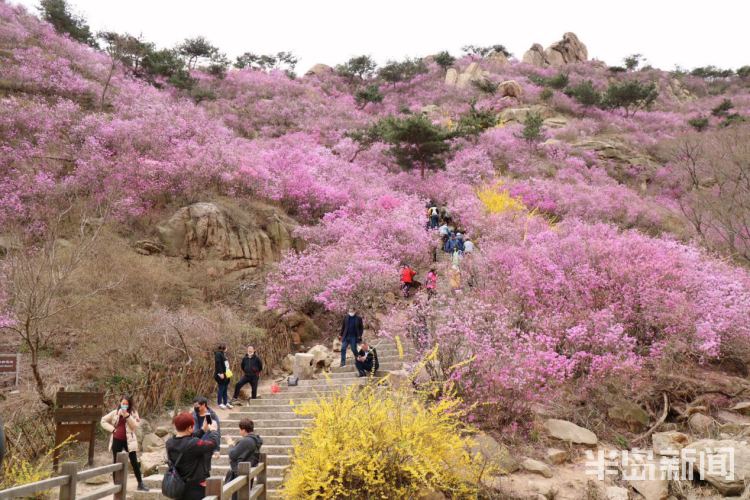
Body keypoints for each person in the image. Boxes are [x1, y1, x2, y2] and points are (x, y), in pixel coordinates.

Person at [166, 412, 220, 500]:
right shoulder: (193, 444)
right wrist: (214, 430)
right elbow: (213, 443)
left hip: (178, 486)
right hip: (195, 488)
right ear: (190, 428)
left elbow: (186, 439)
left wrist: (203, 430)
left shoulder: (169, 443)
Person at [100, 396, 149, 492]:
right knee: (116, 462)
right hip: (117, 439)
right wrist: (113, 429)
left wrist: (127, 415)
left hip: (129, 440)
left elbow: (135, 425)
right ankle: (116, 486)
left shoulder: (133, 413)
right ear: (120, 403)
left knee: (134, 462)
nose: (124, 405)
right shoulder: (115, 413)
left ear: (129, 404)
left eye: (126, 404)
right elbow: (103, 420)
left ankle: (140, 483)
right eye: (123, 403)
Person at [225, 419, 263, 500]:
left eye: (239, 429)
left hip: (241, 473)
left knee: (238, 497)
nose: (239, 431)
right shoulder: (254, 439)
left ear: (243, 430)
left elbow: (232, 455)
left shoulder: (247, 440)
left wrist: (230, 444)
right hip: (246, 471)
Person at [192, 396, 221, 475]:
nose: (195, 408)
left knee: (205, 468)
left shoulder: (210, 415)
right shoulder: (193, 415)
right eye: (194, 406)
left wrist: (216, 449)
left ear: (203, 405)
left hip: (207, 445)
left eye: (197, 406)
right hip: (194, 444)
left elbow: (215, 431)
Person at [214, 342, 233, 410]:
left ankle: (226, 402)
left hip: (226, 374)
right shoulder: (218, 354)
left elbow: (226, 364)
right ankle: (220, 403)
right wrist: (221, 373)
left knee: (225, 389)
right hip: (221, 374)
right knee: (221, 388)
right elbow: (218, 365)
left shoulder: (223, 354)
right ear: (224, 347)